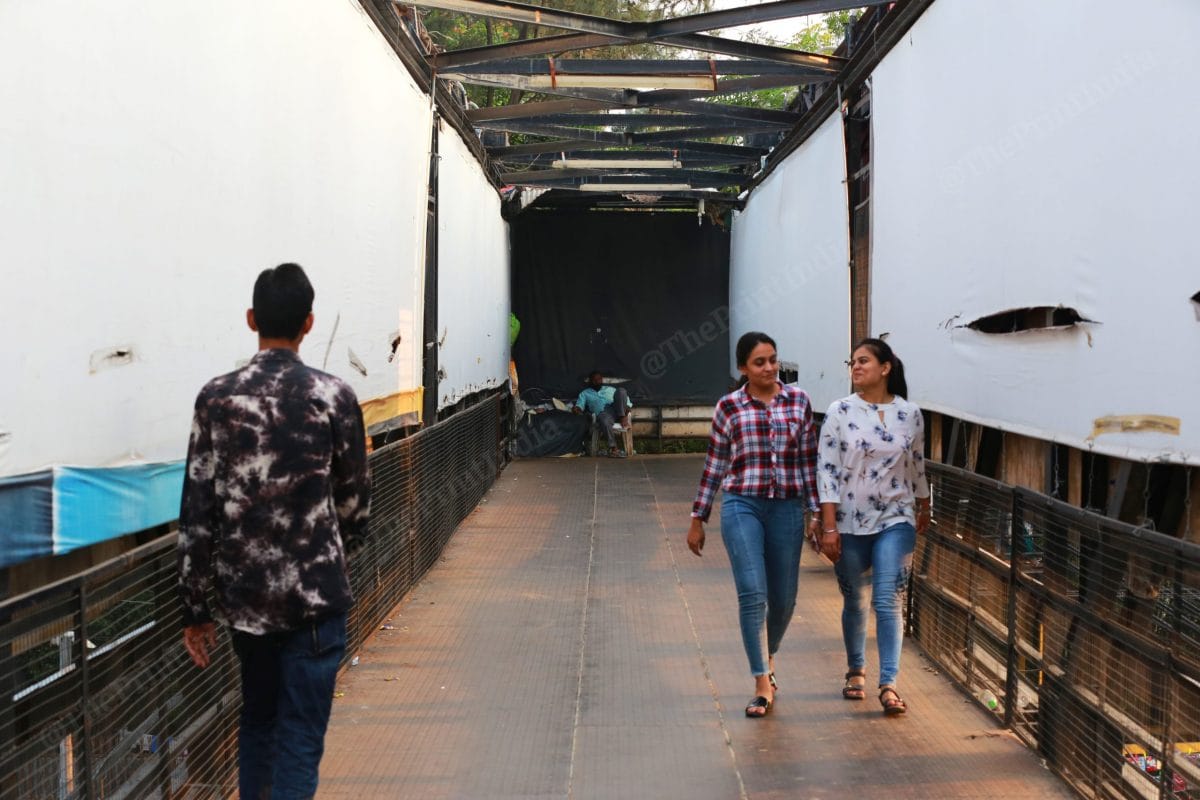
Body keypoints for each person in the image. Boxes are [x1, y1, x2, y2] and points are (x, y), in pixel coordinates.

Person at [178, 263, 371, 798]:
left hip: (247, 606)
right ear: (309, 323)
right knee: (300, 738)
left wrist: (196, 611)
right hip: (316, 602)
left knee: (258, 724)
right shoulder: (334, 397)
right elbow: (355, 503)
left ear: (250, 319)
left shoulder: (215, 399)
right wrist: (333, 558)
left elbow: (196, 511)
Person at [687, 332, 820, 718]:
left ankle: (769, 652)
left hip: (787, 509)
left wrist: (815, 515)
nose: (768, 368)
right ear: (743, 368)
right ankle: (762, 681)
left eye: (773, 360)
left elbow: (808, 462)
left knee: (784, 599)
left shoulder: (799, 401)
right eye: (759, 362)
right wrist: (699, 517)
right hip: (742, 505)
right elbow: (714, 465)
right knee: (752, 592)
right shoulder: (729, 407)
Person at [814, 337, 930, 716]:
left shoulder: (910, 413)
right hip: (847, 520)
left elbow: (916, 463)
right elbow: (826, 469)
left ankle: (889, 684)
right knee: (854, 599)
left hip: (895, 518)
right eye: (853, 362)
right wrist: (828, 525)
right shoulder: (839, 411)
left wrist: (924, 502)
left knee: (887, 598)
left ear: (885, 368)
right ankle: (855, 669)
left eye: (864, 361)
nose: (856, 367)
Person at [572, 370, 632, 457]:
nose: (597, 381)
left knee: (621, 391)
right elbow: (579, 407)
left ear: (602, 380)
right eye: (594, 380)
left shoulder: (610, 389)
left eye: (599, 379)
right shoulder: (585, 393)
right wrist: (576, 409)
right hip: (605, 413)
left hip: (617, 409)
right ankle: (614, 449)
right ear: (590, 381)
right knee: (604, 419)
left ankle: (622, 417)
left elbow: (627, 402)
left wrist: (626, 413)